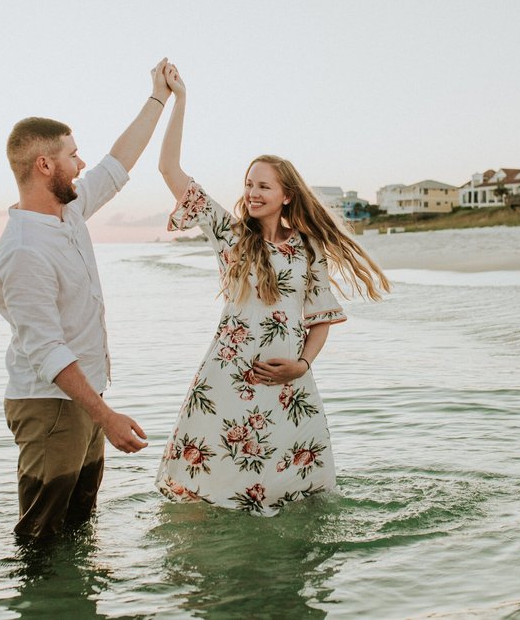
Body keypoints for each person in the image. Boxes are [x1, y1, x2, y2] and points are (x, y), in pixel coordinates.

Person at [154, 63, 390, 515]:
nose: (254, 191)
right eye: (249, 183)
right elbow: (168, 168)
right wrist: (179, 99)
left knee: (294, 493)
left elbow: (320, 319)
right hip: (227, 378)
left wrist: (301, 366)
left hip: (287, 385)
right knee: (212, 487)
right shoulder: (230, 235)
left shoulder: (306, 249)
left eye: (264, 185)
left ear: (286, 195)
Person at [0, 58, 171, 538]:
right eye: (73, 155)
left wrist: (158, 97)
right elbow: (46, 350)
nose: (82, 162)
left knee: (78, 527)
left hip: (83, 400)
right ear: (45, 165)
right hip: (50, 407)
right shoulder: (26, 251)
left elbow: (118, 163)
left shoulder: (67, 215)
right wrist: (106, 417)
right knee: (41, 538)